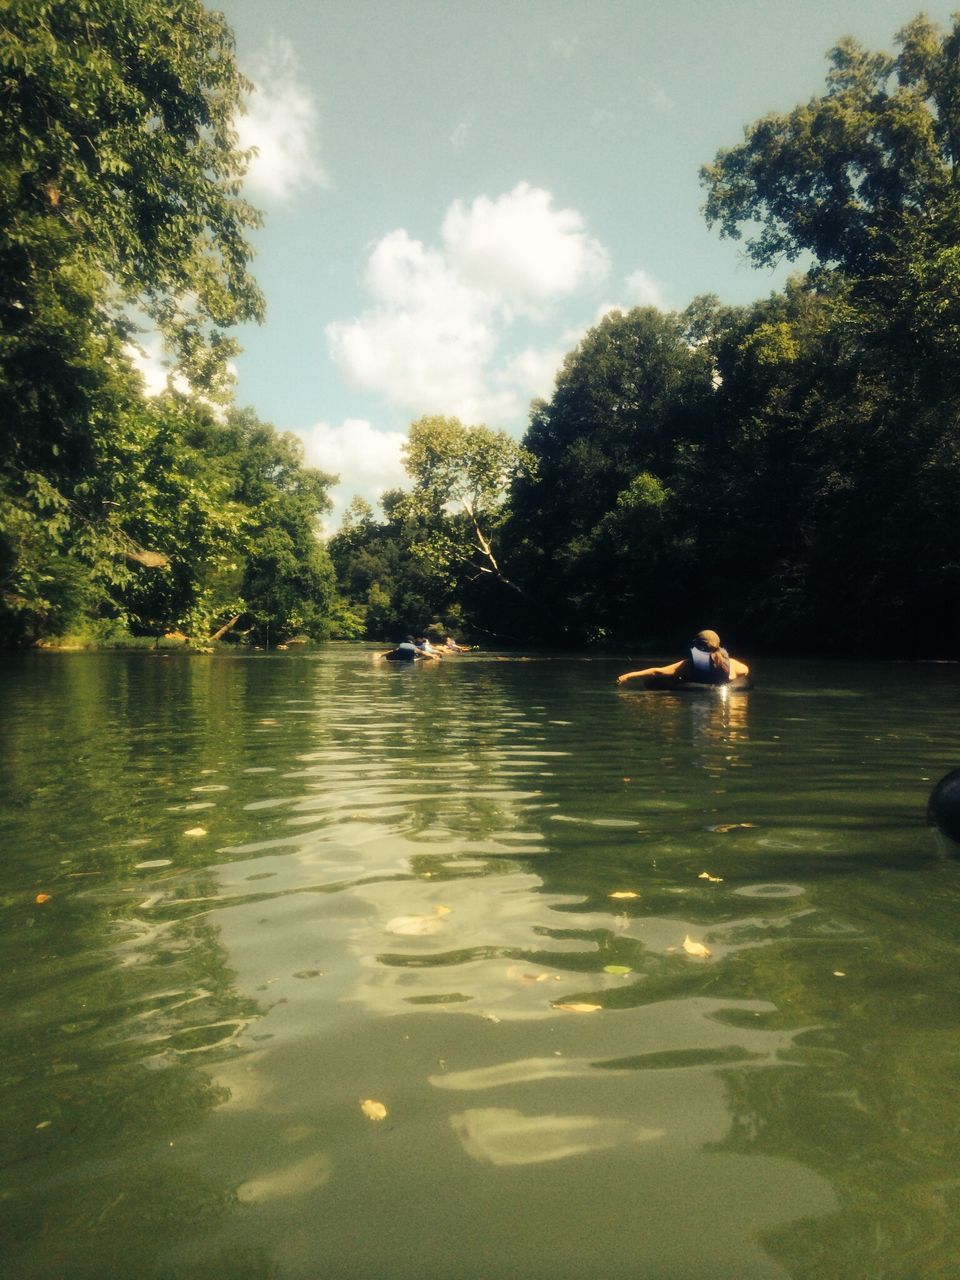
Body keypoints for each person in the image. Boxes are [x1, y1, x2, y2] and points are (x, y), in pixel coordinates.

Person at [616, 629, 749, 686]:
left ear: (697, 646)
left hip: (695, 695)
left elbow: (657, 671)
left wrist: (627, 676)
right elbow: (745, 671)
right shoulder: (732, 664)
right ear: (718, 645)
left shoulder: (688, 665)